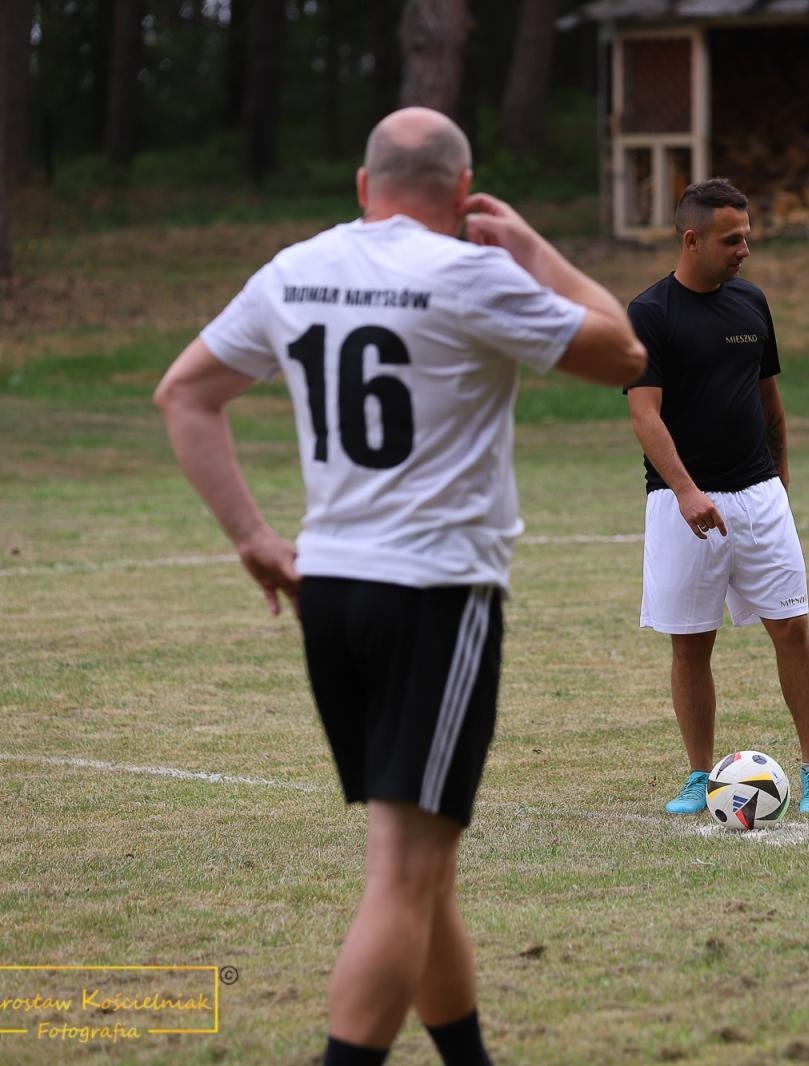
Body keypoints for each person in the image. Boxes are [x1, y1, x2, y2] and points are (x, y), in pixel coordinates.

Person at [153, 107, 644, 1066]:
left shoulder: (294, 268)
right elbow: (625, 351)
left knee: (426, 869)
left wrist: (252, 535)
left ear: (361, 185)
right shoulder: (471, 272)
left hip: (330, 594)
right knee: (404, 873)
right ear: (462, 195)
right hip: (434, 598)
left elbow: (187, 393)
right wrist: (538, 249)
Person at [623, 178, 809, 817]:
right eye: (733, 239)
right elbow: (645, 414)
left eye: (746, 236)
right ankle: (698, 776)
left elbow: (770, 402)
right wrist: (686, 490)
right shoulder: (650, 313)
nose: (745, 249)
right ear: (692, 240)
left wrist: (782, 480)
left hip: (758, 496)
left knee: (792, 627)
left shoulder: (752, 303)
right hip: (680, 504)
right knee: (690, 643)